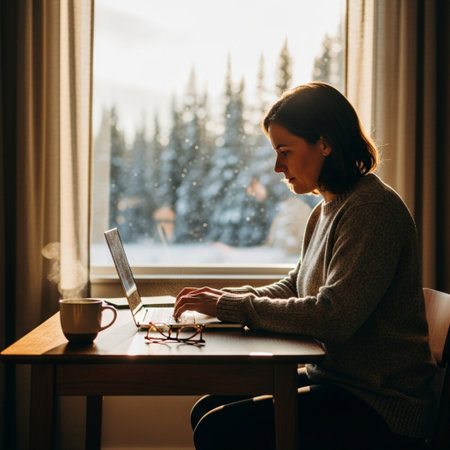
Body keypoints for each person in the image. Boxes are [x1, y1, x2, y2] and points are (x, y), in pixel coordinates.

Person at [173, 82, 437, 450]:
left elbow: (332, 316)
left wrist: (231, 306)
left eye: (285, 151)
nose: (278, 166)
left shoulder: (371, 210)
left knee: (218, 428)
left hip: (380, 403)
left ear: (325, 144)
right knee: (207, 408)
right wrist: (226, 300)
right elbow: (295, 286)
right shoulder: (327, 209)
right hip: (337, 382)